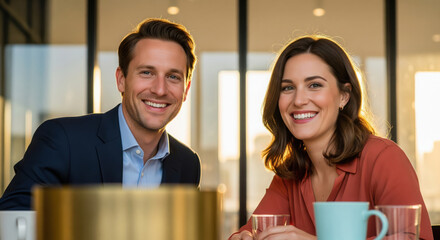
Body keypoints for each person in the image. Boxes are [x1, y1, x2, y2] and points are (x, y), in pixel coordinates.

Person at [229, 36, 433, 240]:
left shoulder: (384, 158)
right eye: (287, 87)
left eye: (315, 85)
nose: (299, 100)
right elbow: (248, 232)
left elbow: (414, 238)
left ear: (344, 96)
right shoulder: (289, 176)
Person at [0, 18, 201, 210]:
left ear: (186, 89)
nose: (159, 89)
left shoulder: (187, 164)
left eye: (173, 77)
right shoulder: (63, 140)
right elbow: (14, 223)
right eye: (147, 72)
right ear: (121, 79)